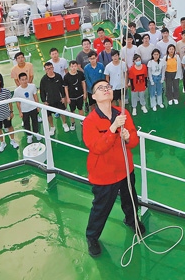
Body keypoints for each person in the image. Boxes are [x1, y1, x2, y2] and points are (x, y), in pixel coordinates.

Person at [83, 79, 143, 258]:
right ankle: (92, 237)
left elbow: (134, 141)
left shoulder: (123, 113)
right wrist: (113, 128)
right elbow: (97, 147)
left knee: (130, 198)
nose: (106, 89)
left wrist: (127, 137)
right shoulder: (90, 121)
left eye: (108, 87)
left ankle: (132, 220)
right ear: (94, 96)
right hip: (104, 174)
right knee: (101, 207)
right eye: (100, 88)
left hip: (125, 168)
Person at [39, 62, 69, 135]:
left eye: (50, 68)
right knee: (49, 115)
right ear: (45, 70)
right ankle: (52, 127)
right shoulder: (43, 79)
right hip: (49, 100)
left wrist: (63, 97)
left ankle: (64, 123)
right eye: (47, 69)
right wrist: (44, 101)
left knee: (62, 111)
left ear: (53, 68)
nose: (49, 70)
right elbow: (42, 91)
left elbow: (62, 88)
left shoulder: (58, 76)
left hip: (59, 99)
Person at [0, 75, 19, 152]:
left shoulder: (6, 91)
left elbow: (10, 103)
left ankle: (12, 140)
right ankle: (2, 143)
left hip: (6, 114)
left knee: (10, 127)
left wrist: (11, 112)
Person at [14, 72, 42, 143]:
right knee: (26, 123)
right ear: (19, 81)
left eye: (26, 79)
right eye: (22, 80)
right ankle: (29, 136)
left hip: (33, 108)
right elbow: (18, 102)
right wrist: (20, 111)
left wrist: (37, 106)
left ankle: (36, 133)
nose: (24, 81)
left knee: (35, 121)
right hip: (24, 110)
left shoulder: (32, 86)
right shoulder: (17, 91)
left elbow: (35, 96)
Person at [64, 60, 87, 129]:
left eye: (75, 66)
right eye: (72, 66)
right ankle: (72, 123)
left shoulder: (80, 74)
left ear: (77, 66)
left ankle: (82, 120)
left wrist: (84, 93)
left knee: (80, 109)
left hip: (80, 95)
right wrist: (67, 98)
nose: (73, 68)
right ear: (69, 67)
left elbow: (83, 83)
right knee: (72, 111)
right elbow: (66, 87)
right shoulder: (66, 76)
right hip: (71, 97)